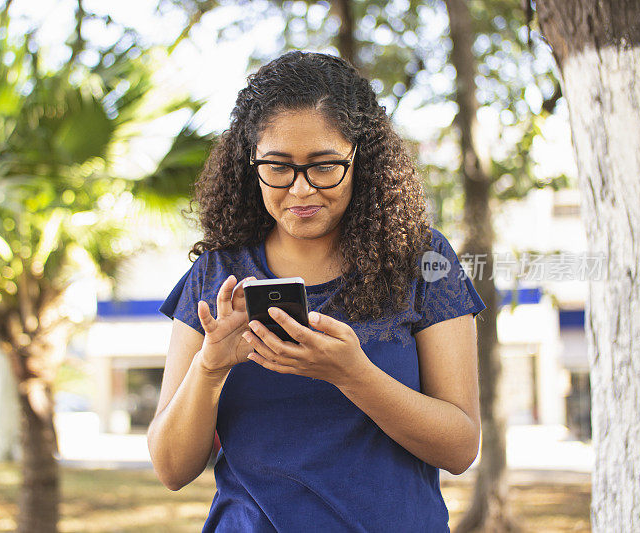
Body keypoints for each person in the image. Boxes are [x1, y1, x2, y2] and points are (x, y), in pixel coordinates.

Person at [147, 50, 487, 532]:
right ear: (251, 163)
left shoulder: (423, 262)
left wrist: (352, 375)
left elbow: (459, 448)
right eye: (278, 167)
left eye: (324, 166)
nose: (301, 190)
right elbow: (171, 468)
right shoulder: (218, 272)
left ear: (360, 158)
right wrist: (210, 367)